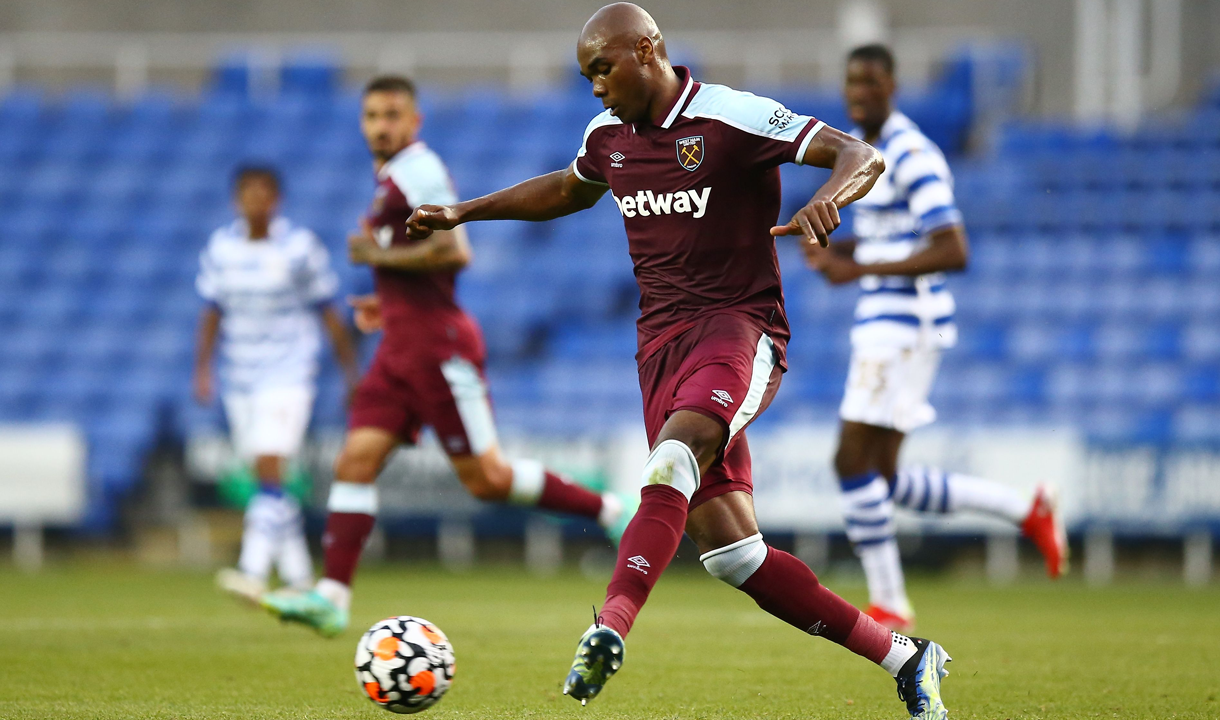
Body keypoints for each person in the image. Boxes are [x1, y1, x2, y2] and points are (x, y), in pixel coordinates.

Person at [407, 6, 952, 717]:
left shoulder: (731, 117)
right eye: (586, 75)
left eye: (603, 68)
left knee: (672, 459)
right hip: (659, 347)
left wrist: (827, 197)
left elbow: (861, 155)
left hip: (739, 330)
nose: (596, 88)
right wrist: (465, 211)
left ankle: (610, 626)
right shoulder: (608, 138)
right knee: (734, 555)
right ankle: (906, 658)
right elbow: (570, 188)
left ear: (647, 49)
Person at [260, 75, 637, 638]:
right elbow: (420, 262)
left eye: (392, 115)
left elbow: (454, 249)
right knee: (354, 463)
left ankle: (612, 511)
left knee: (487, 479)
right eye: (371, 116)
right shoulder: (389, 177)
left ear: (414, 122)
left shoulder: (418, 168)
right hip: (399, 346)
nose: (381, 126)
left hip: (438, 346)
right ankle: (331, 598)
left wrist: (381, 253)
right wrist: (388, 302)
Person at [803, 44, 1068, 633]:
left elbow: (952, 248)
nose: (859, 94)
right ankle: (1026, 510)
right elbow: (890, 237)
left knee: (850, 462)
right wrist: (837, 251)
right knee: (884, 479)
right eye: (851, 84)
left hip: (905, 323)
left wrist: (860, 265)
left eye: (870, 83)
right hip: (885, 319)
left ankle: (890, 602)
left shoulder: (912, 154)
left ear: (892, 86)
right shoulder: (860, 153)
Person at [194, 165, 359, 602]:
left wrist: (349, 373)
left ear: (277, 200)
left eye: (264, 194)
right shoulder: (220, 248)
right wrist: (203, 369)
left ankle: (252, 570)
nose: (256, 202)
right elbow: (211, 312)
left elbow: (329, 312)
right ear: (236, 200)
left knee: (269, 468)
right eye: (247, 193)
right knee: (267, 478)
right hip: (239, 374)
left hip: (288, 372)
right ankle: (301, 576)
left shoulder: (299, 248)